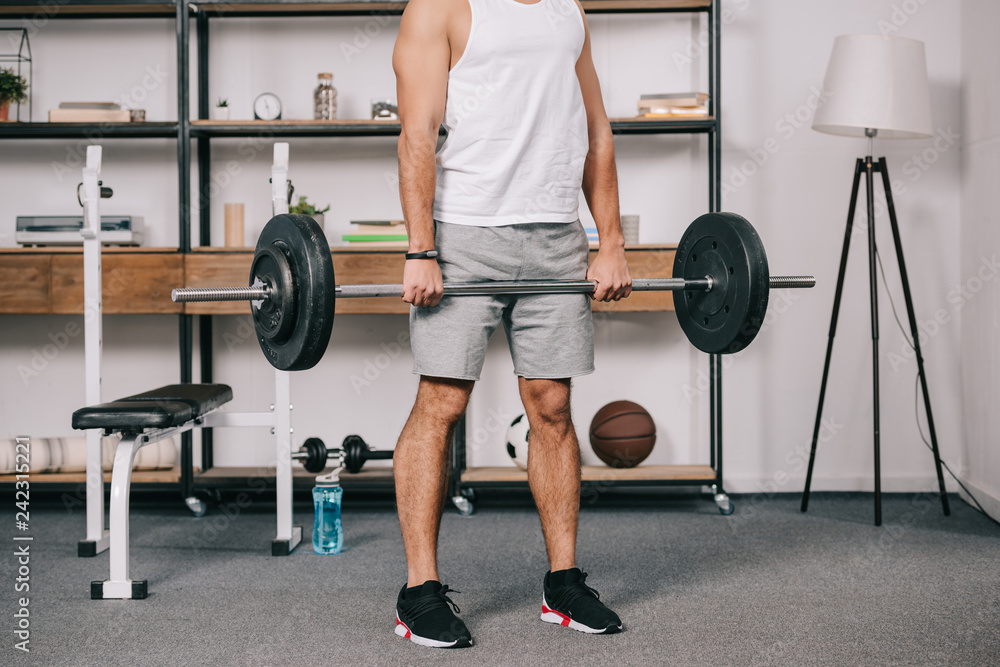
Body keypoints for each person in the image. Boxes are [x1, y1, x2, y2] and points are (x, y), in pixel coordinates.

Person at [391, 0, 632, 648]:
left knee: (551, 404)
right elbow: (417, 130)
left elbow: (595, 128)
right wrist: (421, 247)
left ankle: (563, 582)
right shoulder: (440, 7)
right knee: (441, 400)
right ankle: (419, 591)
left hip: (556, 234)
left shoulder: (566, 10)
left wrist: (608, 240)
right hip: (464, 232)